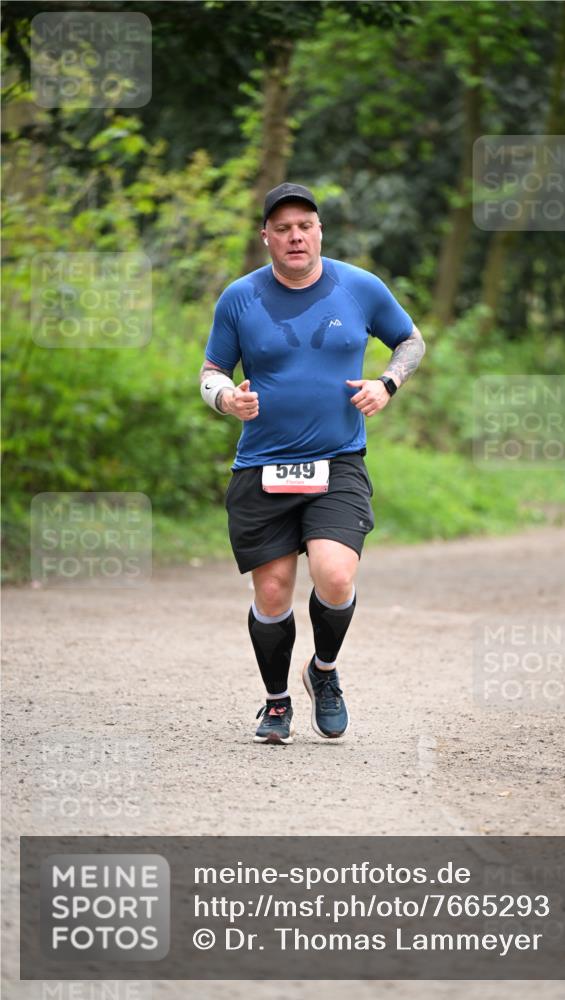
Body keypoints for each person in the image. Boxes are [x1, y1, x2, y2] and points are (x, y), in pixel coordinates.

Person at [200, 182, 425, 745]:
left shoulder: (359, 287)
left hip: (338, 461)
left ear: (320, 230)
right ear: (266, 238)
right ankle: (277, 702)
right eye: (282, 229)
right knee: (272, 593)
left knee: (335, 574)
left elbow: (412, 342)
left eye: (305, 225)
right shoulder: (240, 298)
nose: (295, 236)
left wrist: (387, 382)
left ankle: (323, 672)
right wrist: (226, 398)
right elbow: (210, 373)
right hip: (263, 465)